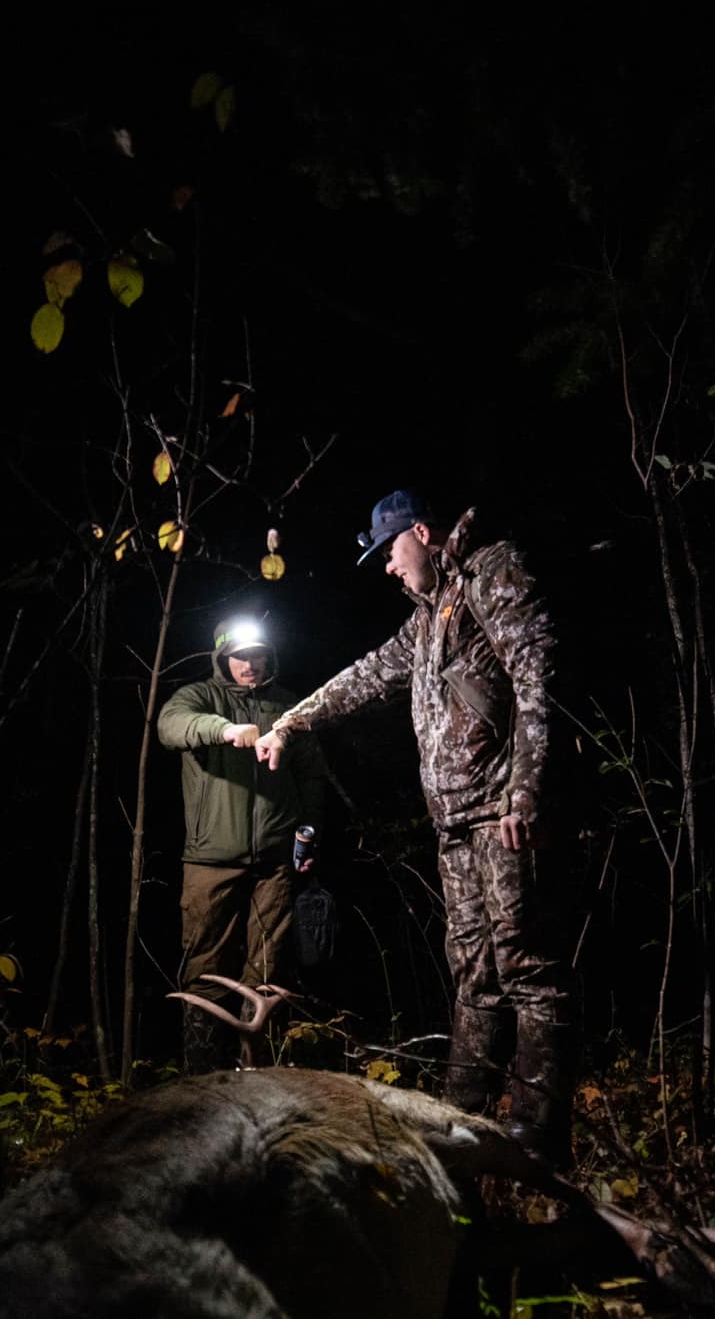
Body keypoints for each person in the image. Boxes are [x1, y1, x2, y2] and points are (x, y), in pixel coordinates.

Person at [255, 489, 580, 1166]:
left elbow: (537, 682)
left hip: (503, 816)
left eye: (390, 552)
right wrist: (290, 721)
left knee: (528, 970)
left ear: (423, 534)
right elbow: (366, 676)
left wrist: (527, 795)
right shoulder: (426, 618)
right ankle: (461, 1126)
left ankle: (536, 1143)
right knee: (473, 973)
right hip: (456, 823)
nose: (386, 568)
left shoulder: (491, 573)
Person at [157, 615, 329, 1072]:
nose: (249, 665)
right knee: (206, 971)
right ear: (222, 658)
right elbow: (170, 726)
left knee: (268, 976)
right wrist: (224, 729)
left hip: (275, 864)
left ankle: (259, 1075)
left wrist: (308, 832)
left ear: (269, 657)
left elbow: (311, 776)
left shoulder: (289, 708)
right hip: (210, 860)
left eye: (258, 655)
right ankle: (200, 1080)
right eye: (239, 656)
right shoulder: (198, 697)